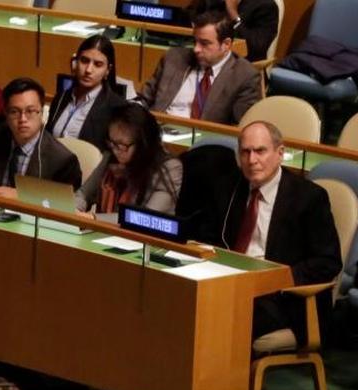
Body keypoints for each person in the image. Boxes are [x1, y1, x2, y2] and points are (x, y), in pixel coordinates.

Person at [218, 122, 341, 342]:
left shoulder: (308, 198)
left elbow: (328, 262)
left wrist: (276, 278)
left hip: (284, 298)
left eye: (260, 151)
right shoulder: (231, 187)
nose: (252, 160)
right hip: (232, 285)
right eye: (245, 152)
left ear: (280, 153)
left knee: (229, 317)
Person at [134, 11, 260, 125]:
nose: (196, 49)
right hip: (156, 131)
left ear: (226, 44)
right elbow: (144, 99)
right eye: (195, 41)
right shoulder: (173, 58)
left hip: (204, 144)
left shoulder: (245, 75)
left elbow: (240, 127)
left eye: (204, 43)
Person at [75, 103, 183, 216]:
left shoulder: (169, 168)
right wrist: (76, 210)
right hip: (100, 230)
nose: (115, 150)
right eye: (112, 142)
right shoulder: (111, 154)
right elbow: (83, 194)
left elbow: (143, 219)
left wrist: (95, 219)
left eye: (121, 145)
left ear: (142, 145)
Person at [44, 35, 128, 152]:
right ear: (75, 63)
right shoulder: (62, 97)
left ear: (108, 70)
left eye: (97, 64)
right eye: (84, 60)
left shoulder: (116, 109)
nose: (88, 70)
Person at [191, 0, 279, 63]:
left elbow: (257, 46)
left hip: (242, 66)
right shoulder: (214, 2)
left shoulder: (266, 6)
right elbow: (190, 21)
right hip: (203, 60)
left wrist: (234, 14)